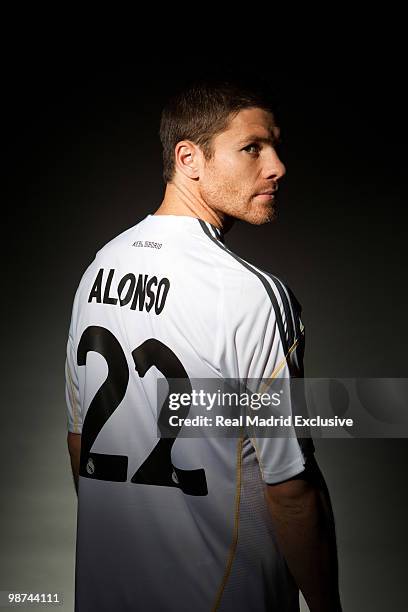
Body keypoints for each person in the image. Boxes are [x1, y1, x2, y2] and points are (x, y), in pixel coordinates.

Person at [65, 76, 342, 611]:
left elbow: (81, 445)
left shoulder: (99, 267)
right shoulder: (251, 294)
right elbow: (290, 490)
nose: (277, 166)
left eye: (275, 146)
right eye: (252, 147)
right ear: (188, 158)